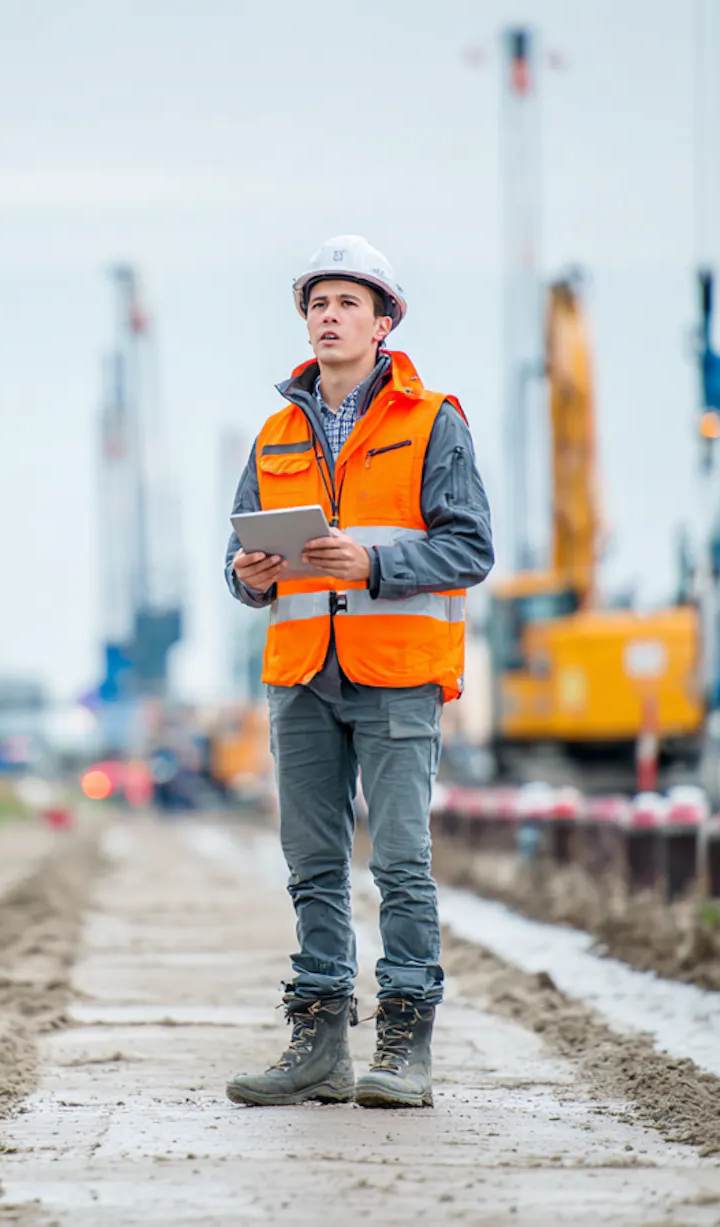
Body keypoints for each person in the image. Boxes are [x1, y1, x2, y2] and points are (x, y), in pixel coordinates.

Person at [222, 235, 493, 1109]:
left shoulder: (432, 420)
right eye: (317, 304)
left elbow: (471, 545)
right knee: (311, 862)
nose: (328, 317)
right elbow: (240, 560)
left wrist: (370, 567)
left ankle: (405, 1045)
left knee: (403, 861)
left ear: (384, 323)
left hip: (397, 670)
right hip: (301, 671)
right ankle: (319, 1046)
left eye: (347, 303)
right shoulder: (275, 433)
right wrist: (249, 575)